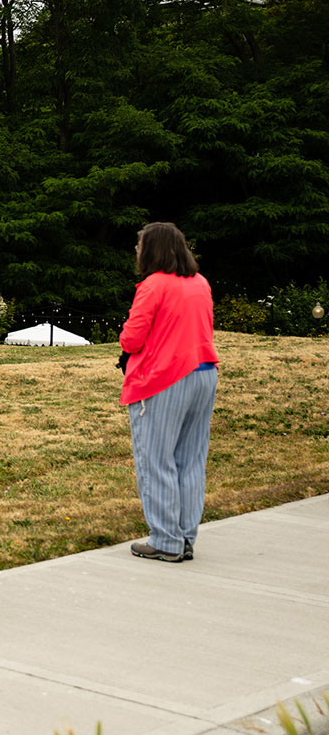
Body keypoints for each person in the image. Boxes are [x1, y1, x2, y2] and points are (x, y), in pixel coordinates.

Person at [119, 222, 219, 562]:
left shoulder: (153, 285)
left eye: (140, 245)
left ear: (152, 249)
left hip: (164, 379)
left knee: (156, 460)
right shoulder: (200, 283)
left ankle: (165, 539)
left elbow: (131, 339)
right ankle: (185, 536)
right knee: (191, 461)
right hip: (204, 374)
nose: (137, 251)